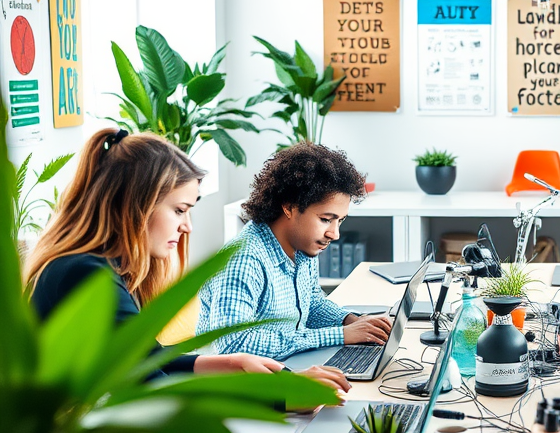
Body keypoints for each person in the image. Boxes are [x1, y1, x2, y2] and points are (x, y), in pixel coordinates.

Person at [25, 128, 350, 394]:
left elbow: (146, 359)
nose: (187, 226)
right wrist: (280, 395)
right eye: (179, 210)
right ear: (136, 205)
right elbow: (155, 390)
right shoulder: (86, 275)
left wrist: (231, 364)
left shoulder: (103, 267)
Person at [197, 143, 392, 360]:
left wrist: (350, 321)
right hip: (237, 387)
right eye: (326, 220)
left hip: (285, 367)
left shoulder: (302, 247)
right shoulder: (244, 259)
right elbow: (233, 345)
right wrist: (340, 335)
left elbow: (312, 303)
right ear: (289, 207)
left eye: (340, 220)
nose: (334, 234)